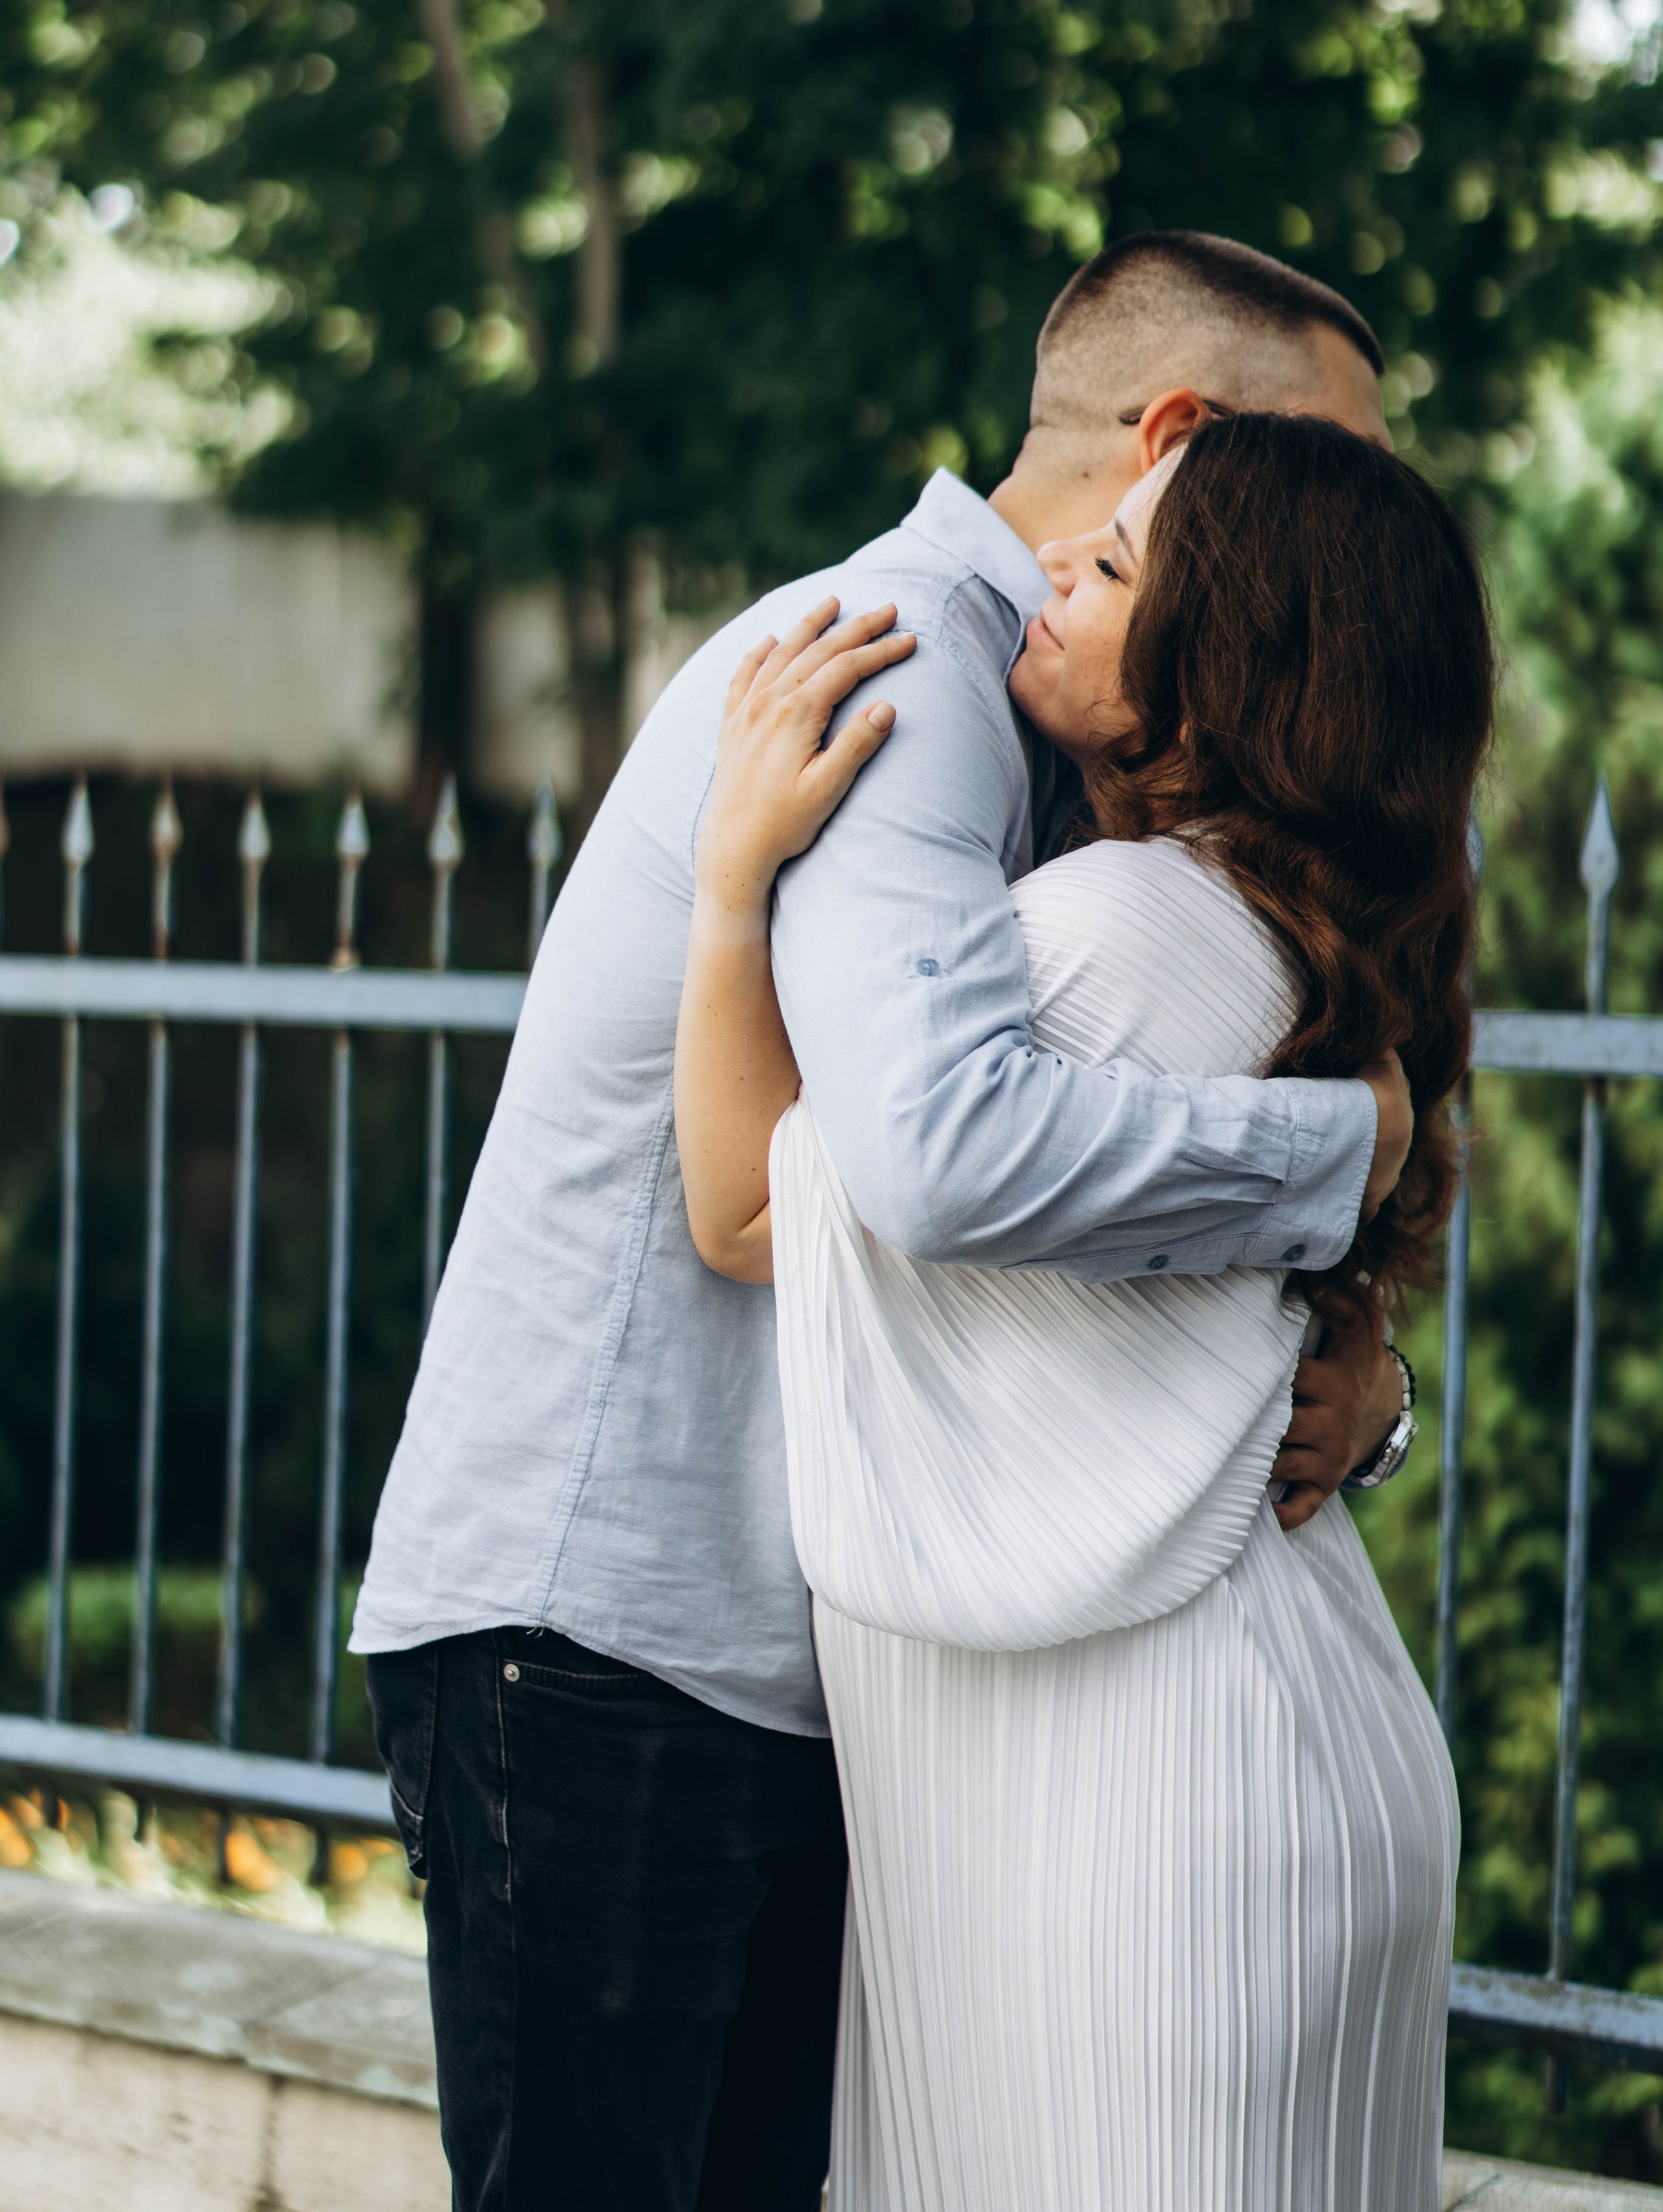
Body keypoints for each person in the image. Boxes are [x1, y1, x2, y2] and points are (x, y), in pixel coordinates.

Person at [353, 233, 1415, 2211]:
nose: (1352, 538)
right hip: (618, 1627)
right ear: (1180, 439)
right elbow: (924, 1165)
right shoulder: (906, 660)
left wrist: (1378, 1385)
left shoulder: (1118, 760)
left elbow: (1087, 1271)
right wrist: (1338, 1144)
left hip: (819, 1662)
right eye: (1322, 472)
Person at [674, 413, 1493, 2209]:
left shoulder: (1114, 935)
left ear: (1225, 675)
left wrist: (731, 885)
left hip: (1148, 1831)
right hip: (1237, 1777)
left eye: (1117, 568)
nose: (1053, 566)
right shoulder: (1282, 943)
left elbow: (749, 1208)